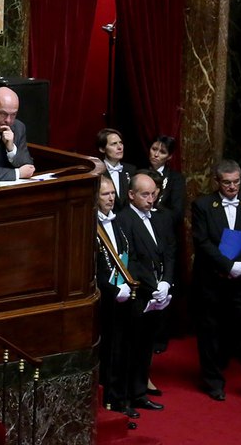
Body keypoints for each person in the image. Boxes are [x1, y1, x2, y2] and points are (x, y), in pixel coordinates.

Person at [190, 160, 241, 405]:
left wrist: (240, 266)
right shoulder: (203, 205)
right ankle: (213, 383)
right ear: (217, 182)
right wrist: (227, 266)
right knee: (210, 333)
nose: (232, 187)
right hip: (211, 281)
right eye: (227, 182)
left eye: (236, 182)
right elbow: (203, 242)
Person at [114, 172, 174, 414]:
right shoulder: (123, 220)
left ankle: (140, 393)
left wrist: (167, 282)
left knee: (146, 345)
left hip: (158, 295)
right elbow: (133, 261)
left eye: (153, 194)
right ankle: (125, 397)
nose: (151, 199)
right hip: (138, 295)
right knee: (131, 346)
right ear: (131, 194)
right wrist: (153, 285)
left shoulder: (160, 218)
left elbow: (169, 251)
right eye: (145, 194)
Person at [94, 174, 135, 419]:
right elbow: (92, 268)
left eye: (112, 193)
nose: (110, 198)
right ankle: (109, 402)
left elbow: (132, 254)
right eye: (104, 194)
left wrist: (128, 285)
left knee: (124, 350)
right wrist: (113, 290)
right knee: (109, 353)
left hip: (126, 295)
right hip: (106, 300)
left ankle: (122, 399)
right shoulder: (91, 227)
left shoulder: (120, 222)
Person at [148, 135, 185, 224]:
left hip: (164, 225)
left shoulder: (175, 178)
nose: (156, 155)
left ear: (169, 157)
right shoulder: (137, 172)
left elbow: (177, 212)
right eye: (154, 149)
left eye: (162, 152)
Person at [98, 128, 135, 211]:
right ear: (102, 149)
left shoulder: (131, 170)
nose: (119, 147)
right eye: (114, 144)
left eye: (121, 143)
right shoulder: (97, 172)